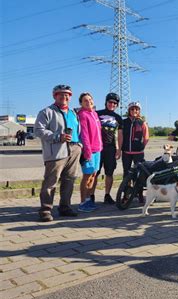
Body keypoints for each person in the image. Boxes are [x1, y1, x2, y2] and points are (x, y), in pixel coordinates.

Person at [34, 84, 81, 222]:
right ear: (55, 96)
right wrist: (57, 136)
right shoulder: (46, 112)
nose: (64, 96)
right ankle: (45, 210)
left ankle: (65, 207)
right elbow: (38, 130)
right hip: (56, 151)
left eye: (67, 94)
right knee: (51, 181)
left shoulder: (73, 113)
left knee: (69, 180)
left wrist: (80, 145)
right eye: (61, 94)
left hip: (74, 149)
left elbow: (78, 130)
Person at [91, 93, 123, 204]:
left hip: (111, 148)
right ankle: (91, 195)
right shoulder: (96, 114)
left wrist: (119, 149)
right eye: (110, 102)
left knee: (109, 173)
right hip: (97, 148)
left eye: (115, 103)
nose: (112, 104)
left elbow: (120, 135)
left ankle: (107, 195)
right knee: (94, 173)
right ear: (106, 102)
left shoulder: (118, 118)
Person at [77, 93, 103, 213]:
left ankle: (88, 200)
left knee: (93, 175)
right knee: (87, 176)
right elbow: (85, 134)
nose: (88, 102)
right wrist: (87, 151)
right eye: (85, 100)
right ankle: (82, 202)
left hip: (98, 149)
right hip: (89, 150)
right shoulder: (82, 114)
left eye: (90, 99)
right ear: (81, 103)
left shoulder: (95, 114)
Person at [122, 101, 149, 201]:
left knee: (139, 174)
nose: (134, 111)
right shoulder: (124, 122)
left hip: (138, 153)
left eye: (136, 109)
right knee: (126, 173)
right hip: (126, 152)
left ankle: (140, 193)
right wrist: (120, 148)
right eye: (132, 109)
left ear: (139, 111)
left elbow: (146, 138)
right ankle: (126, 194)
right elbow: (120, 136)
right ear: (129, 110)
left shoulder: (142, 122)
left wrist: (141, 147)